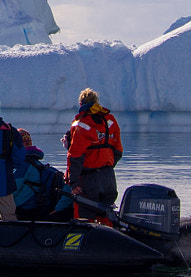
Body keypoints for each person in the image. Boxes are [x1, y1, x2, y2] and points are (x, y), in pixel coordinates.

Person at [66, 88, 123, 222]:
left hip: (89, 179)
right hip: (108, 178)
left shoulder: (81, 124)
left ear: (81, 104)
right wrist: (106, 165)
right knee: (105, 214)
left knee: (84, 217)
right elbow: (118, 151)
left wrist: (73, 183)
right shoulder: (110, 121)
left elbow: (75, 156)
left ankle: (85, 241)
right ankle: (108, 239)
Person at [12, 127, 64, 220]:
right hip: (36, 206)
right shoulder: (36, 162)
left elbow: (13, 189)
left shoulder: (23, 165)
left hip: (24, 208)